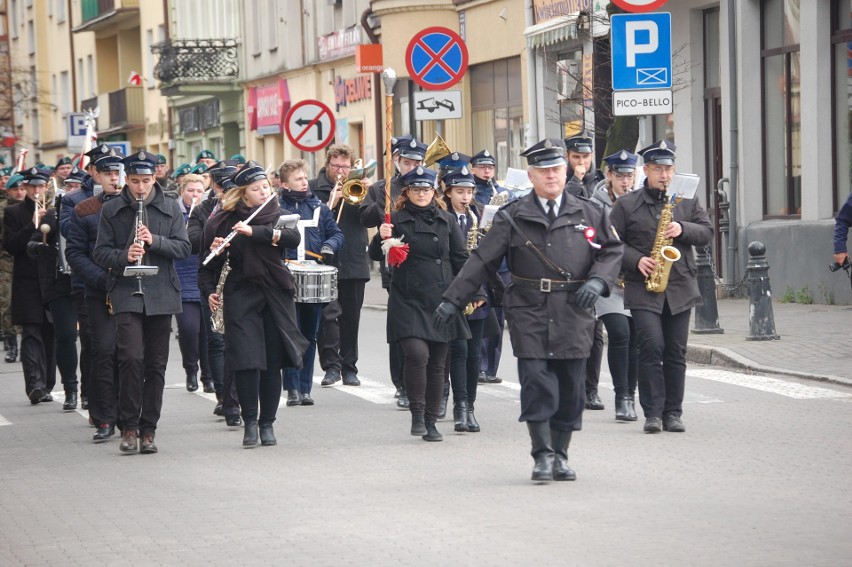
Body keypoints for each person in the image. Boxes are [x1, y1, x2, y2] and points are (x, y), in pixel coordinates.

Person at [436, 138, 623, 481]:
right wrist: (453, 298)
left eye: (556, 169)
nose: (551, 176)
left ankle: (561, 455)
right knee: (536, 382)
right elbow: (482, 260)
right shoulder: (513, 216)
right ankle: (541, 455)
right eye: (543, 171)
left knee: (570, 386)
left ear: (565, 171)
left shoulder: (590, 211)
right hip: (529, 309)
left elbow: (610, 251)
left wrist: (598, 282)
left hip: (574, 309)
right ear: (531, 175)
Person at [199, 161, 307, 447]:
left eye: (265, 187)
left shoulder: (279, 214)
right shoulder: (221, 221)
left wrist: (255, 232)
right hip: (240, 295)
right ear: (243, 193)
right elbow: (207, 266)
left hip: (275, 294)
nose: (263, 192)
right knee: (247, 362)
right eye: (256, 189)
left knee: (272, 363)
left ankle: (267, 423)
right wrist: (210, 286)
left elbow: (292, 238)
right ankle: (249, 422)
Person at [609, 140, 713, 434]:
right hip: (643, 286)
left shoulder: (687, 201)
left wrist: (683, 229)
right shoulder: (627, 204)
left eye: (668, 169)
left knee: (676, 351)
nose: (665, 175)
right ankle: (653, 413)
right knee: (651, 346)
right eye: (658, 169)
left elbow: (706, 233)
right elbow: (610, 243)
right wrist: (636, 259)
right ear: (646, 170)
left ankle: (673, 413)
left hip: (680, 286)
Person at [93, 151, 191, 454]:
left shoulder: (170, 206)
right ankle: (129, 427)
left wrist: (155, 241)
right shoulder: (112, 209)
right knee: (130, 358)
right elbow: (100, 253)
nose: (140, 188)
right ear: (126, 179)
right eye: (134, 181)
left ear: (154, 178)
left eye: (146, 181)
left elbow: (184, 248)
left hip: (162, 292)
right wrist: (125, 256)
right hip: (126, 291)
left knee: (156, 365)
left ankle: (149, 429)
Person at [369, 166, 470, 442]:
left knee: (438, 364)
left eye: (426, 189)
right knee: (417, 355)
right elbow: (376, 254)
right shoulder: (396, 220)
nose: (422, 194)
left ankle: (431, 420)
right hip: (408, 299)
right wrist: (382, 235)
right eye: (416, 189)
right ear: (408, 192)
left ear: (433, 192)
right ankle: (417, 413)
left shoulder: (447, 220)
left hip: (441, 300)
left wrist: (471, 293)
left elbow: (461, 259)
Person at [360, 136, 427, 408]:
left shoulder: (427, 186)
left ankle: (429, 383)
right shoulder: (381, 187)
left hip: (426, 263)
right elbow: (364, 218)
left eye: (417, 162)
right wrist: (383, 206)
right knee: (402, 328)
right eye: (407, 162)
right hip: (395, 264)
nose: (412, 167)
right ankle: (401, 384)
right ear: (396, 161)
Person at [65, 150, 125, 441]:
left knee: (129, 354)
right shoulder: (84, 208)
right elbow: (74, 252)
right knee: (103, 351)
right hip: (98, 289)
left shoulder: (138, 205)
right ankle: (104, 418)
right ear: (96, 176)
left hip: (131, 288)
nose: (115, 178)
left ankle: (128, 415)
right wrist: (100, 278)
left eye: (118, 173)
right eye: (108, 174)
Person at [278, 159, 343, 405]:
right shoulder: (275, 208)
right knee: (289, 332)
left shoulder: (319, 208)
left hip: (313, 275)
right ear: (284, 184)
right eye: (297, 179)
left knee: (309, 333)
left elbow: (336, 234)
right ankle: (292, 388)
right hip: (285, 276)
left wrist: (329, 246)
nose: (304, 182)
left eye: (305, 177)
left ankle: (305, 389)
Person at [311, 144, 370, 389]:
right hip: (324, 260)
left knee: (351, 318)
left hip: (354, 260)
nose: (341, 171)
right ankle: (331, 367)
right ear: (328, 165)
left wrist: (369, 194)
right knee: (327, 318)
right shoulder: (314, 188)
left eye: (346, 167)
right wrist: (331, 202)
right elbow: (313, 222)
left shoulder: (361, 187)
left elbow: (370, 218)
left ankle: (349, 368)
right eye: (336, 166)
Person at [188, 160, 242, 427]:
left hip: (240, 281)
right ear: (217, 187)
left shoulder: (246, 209)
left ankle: (235, 396)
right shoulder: (203, 210)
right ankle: (223, 395)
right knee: (217, 339)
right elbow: (192, 241)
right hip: (211, 279)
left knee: (239, 341)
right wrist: (213, 237)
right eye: (227, 187)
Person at [588, 150, 641, 421]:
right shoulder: (594, 205)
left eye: (629, 175)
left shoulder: (640, 201)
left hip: (635, 279)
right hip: (609, 281)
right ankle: (621, 397)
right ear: (608, 175)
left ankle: (630, 394)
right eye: (620, 176)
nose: (625, 181)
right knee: (619, 334)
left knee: (634, 339)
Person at [442, 167, 493, 432]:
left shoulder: (480, 216)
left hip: (477, 290)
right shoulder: (441, 217)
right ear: (448, 191)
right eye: (460, 191)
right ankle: (459, 405)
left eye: (470, 191)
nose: (465, 197)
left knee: (474, 352)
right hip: (451, 290)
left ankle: (469, 406)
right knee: (457, 350)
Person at [3, 166, 58, 404]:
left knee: (51, 334)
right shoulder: (13, 212)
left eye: (40, 186)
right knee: (31, 332)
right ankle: (34, 385)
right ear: (24, 187)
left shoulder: (56, 210)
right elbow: (11, 246)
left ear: (47, 187)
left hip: (52, 281)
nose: (36, 190)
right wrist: (32, 225)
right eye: (32, 186)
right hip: (27, 282)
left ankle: (47, 383)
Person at [27, 192, 79, 410]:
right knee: (66, 335)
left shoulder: (98, 209)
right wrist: (40, 247)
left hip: (88, 281)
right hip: (60, 284)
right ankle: (70, 389)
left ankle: (90, 390)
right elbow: (34, 242)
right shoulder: (53, 215)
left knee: (94, 339)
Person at [470, 148, 509, 385]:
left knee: (498, 315)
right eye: (482, 167)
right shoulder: (470, 193)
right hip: (480, 259)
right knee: (480, 314)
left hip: (501, 263)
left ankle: (491, 367)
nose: (487, 171)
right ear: (473, 168)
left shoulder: (503, 193)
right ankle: (479, 366)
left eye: (490, 167)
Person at [174, 174, 213, 394]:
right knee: (189, 329)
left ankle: (208, 376)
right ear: (182, 191)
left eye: (199, 191)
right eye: (191, 191)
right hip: (181, 276)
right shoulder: (174, 213)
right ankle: (191, 369)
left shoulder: (207, 212)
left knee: (208, 331)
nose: (195, 195)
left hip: (203, 276)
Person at [1, 173, 25, 362]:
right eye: (15, 189)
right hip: (5, 262)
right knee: (6, 302)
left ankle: (28, 342)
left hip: (26, 260)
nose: (19, 192)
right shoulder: (3, 210)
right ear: (8, 191)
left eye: (22, 188)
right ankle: (11, 345)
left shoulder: (34, 208)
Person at [564, 134, 601, 199]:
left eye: (585, 156)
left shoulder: (601, 178)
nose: (581, 162)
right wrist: (576, 180)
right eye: (576, 157)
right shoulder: (560, 180)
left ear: (592, 155)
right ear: (567, 156)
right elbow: (562, 203)